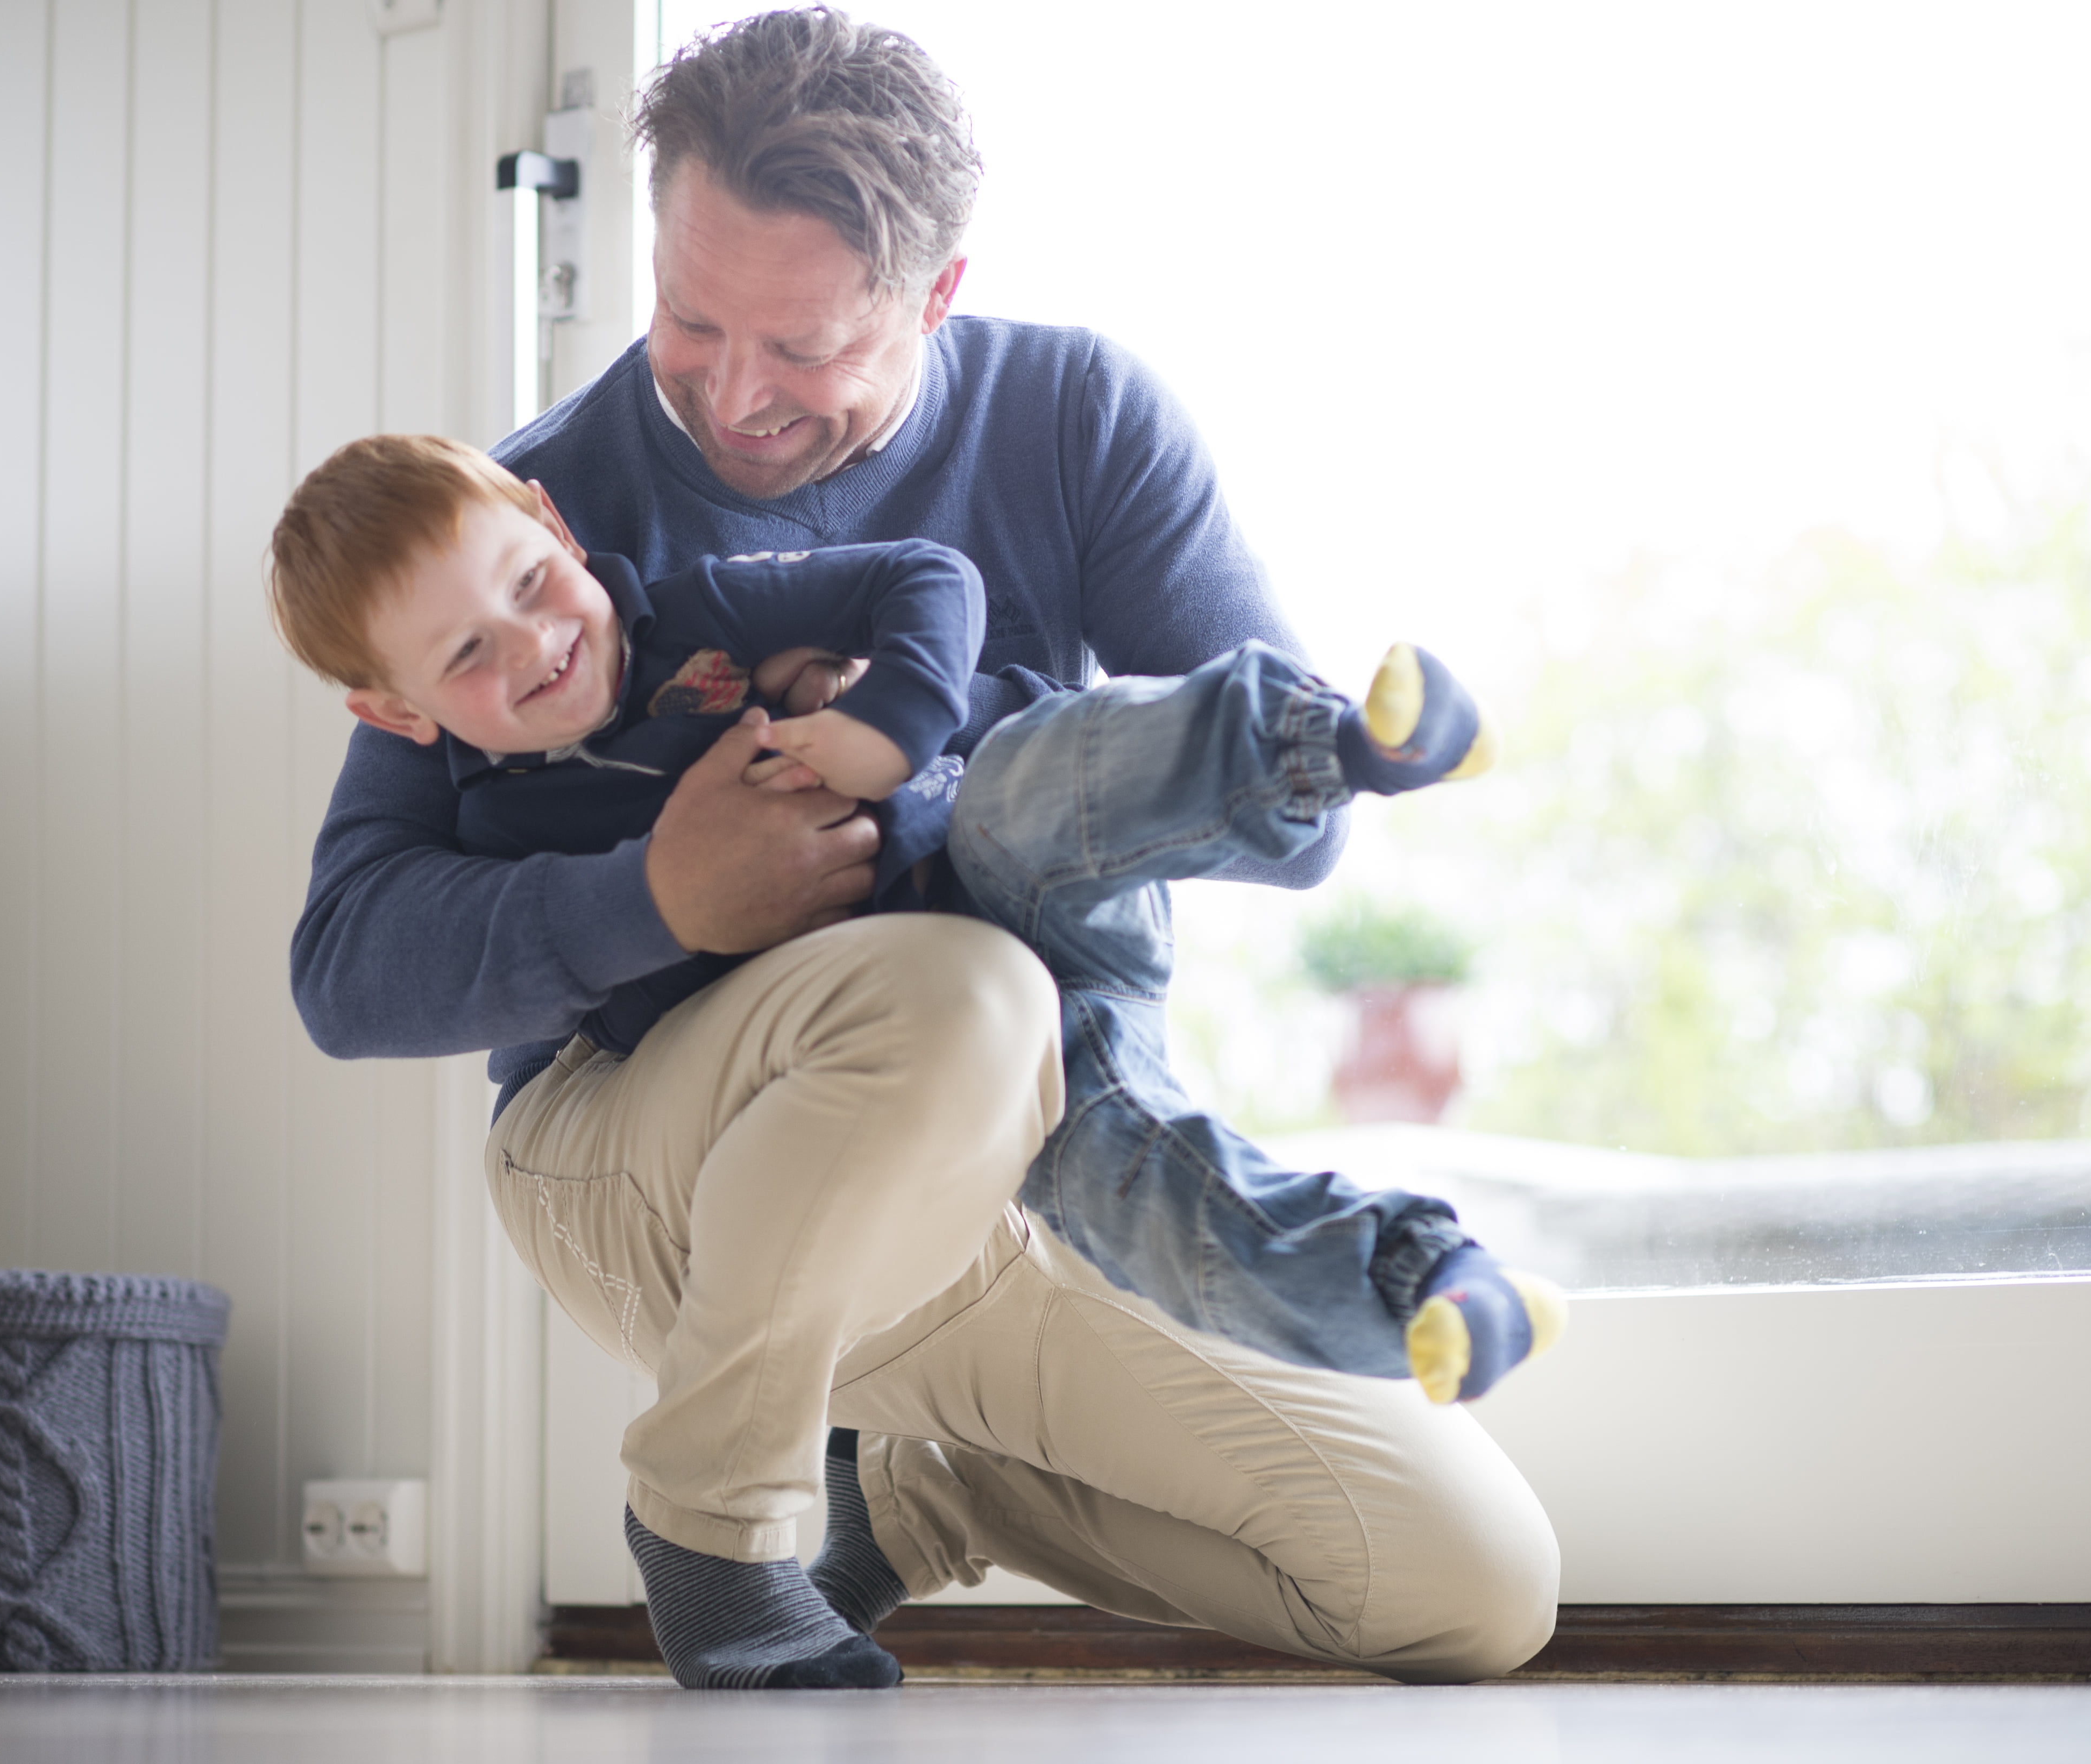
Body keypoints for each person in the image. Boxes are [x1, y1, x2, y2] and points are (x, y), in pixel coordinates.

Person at [290, 6, 1558, 1691]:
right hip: (658, 1163)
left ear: (935, 292)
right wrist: (656, 893)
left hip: (1029, 1146)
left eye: (804, 346)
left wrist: (940, 756)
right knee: (960, 988)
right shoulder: (520, 535)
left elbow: (1297, 842)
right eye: (690, 318)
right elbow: (349, 964)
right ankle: (720, 1529)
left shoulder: (1074, 416)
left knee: (1471, 1587)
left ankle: (906, 1488)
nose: (735, 395)